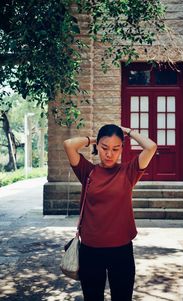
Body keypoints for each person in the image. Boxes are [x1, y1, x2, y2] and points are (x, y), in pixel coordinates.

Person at [63, 124, 157, 301]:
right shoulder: (87, 171)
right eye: (104, 148)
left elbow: (151, 147)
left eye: (116, 148)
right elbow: (69, 144)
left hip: (121, 250)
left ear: (122, 148)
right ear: (97, 147)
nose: (109, 154)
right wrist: (92, 138)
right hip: (90, 250)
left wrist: (128, 132)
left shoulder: (129, 172)